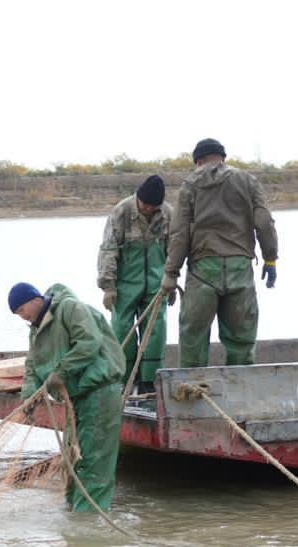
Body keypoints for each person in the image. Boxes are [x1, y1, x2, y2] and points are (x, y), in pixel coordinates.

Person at [161, 138, 279, 367]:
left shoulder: (191, 184)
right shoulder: (247, 180)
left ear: (199, 161)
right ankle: (239, 392)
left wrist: (171, 272)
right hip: (239, 269)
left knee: (193, 339)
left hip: (203, 270)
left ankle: (193, 391)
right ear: (222, 157)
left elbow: (180, 233)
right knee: (242, 341)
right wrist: (270, 259)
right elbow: (264, 222)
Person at [8, 282, 125, 512]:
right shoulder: (36, 329)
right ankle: (73, 517)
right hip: (74, 399)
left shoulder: (70, 308)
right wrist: (29, 398)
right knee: (72, 458)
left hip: (98, 392)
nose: (22, 317)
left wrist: (61, 372)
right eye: (17, 314)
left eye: (21, 310)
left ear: (34, 299)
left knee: (94, 460)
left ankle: (89, 525)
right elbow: (32, 365)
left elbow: (89, 342)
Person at [97, 174, 172, 394]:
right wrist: (108, 286)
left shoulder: (168, 214)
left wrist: (172, 278)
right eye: (145, 204)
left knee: (156, 329)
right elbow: (108, 250)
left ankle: (149, 381)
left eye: (153, 205)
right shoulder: (121, 212)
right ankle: (124, 379)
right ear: (138, 197)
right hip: (125, 284)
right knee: (121, 329)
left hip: (157, 285)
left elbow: (174, 249)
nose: (148, 208)